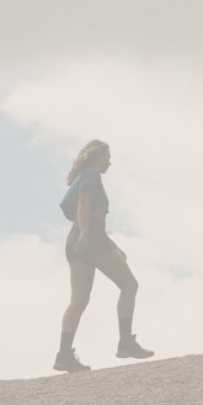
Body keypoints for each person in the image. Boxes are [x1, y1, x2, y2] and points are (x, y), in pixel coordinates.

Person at [55, 140, 152, 372]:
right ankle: (126, 342)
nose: (109, 161)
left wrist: (108, 244)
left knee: (78, 301)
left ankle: (64, 355)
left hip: (76, 240)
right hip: (91, 238)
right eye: (107, 157)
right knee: (130, 284)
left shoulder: (83, 175)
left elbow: (85, 212)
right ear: (96, 157)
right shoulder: (91, 174)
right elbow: (85, 202)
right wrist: (87, 235)